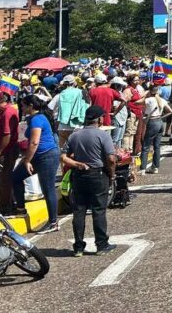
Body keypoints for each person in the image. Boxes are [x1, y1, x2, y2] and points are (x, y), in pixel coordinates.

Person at [60, 105, 116, 257]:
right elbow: (111, 158)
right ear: (98, 119)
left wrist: (77, 164)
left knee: (79, 211)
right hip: (98, 174)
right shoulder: (103, 135)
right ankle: (101, 244)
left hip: (79, 175)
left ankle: (78, 247)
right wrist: (112, 175)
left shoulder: (74, 135)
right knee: (98, 210)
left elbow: (64, 157)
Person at [12, 95, 61, 232]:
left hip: (47, 156)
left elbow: (34, 142)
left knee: (48, 188)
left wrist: (27, 160)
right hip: (38, 156)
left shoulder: (37, 119)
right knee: (16, 177)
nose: (21, 108)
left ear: (30, 106)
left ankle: (53, 222)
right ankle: (21, 209)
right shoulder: (35, 118)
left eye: (23, 105)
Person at [0, 91, 20, 215]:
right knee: (2, 179)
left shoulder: (7, 113)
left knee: (4, 180)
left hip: (7, 151)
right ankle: (9, 204)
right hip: (6, 151)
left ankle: (5, 208)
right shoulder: (4, 112)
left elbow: (7, 135)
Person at [138, 84, 171, 175]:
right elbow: (170, 111)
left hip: (152, 121)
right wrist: (162, 116)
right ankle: (155, 167)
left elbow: (136, 102)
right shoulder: (162, 100)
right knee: (157, 146)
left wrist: (145, 94)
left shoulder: (148, 100)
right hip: (160, 121)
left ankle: (143, 168)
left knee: (146, 146)